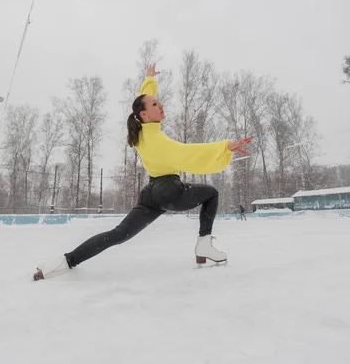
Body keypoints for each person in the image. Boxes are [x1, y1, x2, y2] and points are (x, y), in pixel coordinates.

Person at [33, 63, 252, 280]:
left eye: (158, 102)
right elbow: (189, 154)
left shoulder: (141, 133)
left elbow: (143, 99)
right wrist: (225, 147)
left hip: (151, 194)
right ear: (145, 115)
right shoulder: (158, 141)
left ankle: (65, 262)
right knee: (211, 193)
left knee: (118, 234)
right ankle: (204, 244)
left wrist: (149, 80)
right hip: (169, 192)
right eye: (156, 104)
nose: (161, 105)